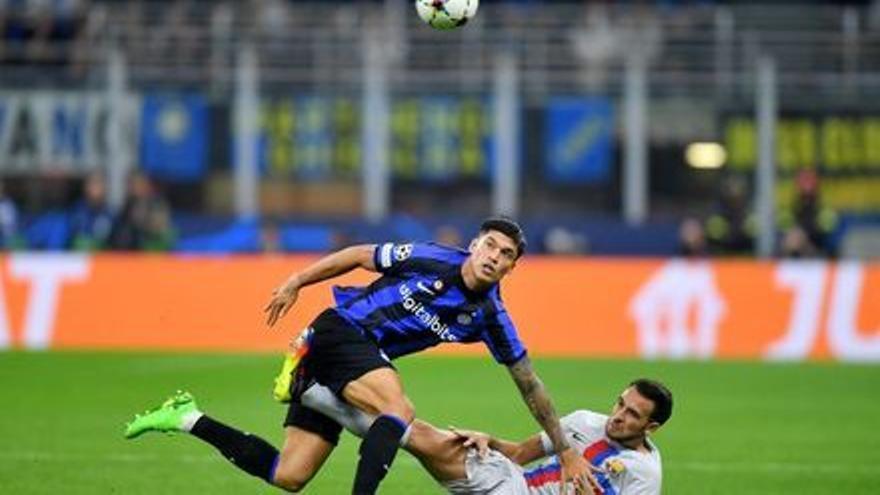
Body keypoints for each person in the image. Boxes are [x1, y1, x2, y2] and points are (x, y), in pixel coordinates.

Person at [125, 217, 591, 494]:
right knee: (399, 410)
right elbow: (358, 255)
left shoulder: (491, 317)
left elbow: (529, 383)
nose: (494, 255)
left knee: (290, 476)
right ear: (474, 245)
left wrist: (565, 448)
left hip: (353, 365)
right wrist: (296, 281)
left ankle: (187, 417)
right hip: (342, 331)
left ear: (512, 266)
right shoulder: (431, 257)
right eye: (489, 244)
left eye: (505, 253)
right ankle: (311, 381)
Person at [296, 376, 671, 495]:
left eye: (631, 414)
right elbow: (521, 453)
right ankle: (312, 389)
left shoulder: (644, 474)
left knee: (418, 435)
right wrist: (486, 439)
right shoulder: (585, 421)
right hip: (510, 483)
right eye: (620, 404)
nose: (617, 416)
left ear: (650, 428)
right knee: (423, 435)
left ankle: (314, 392)